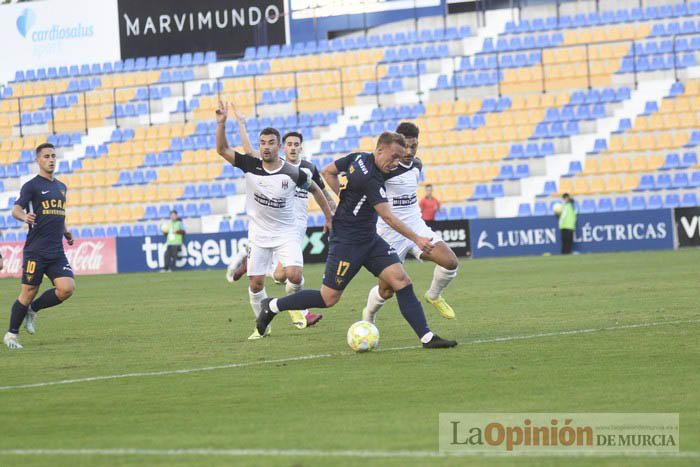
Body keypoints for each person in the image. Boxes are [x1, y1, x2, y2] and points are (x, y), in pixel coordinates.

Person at [256, 132, 458, 349]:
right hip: (347, 242)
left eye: (399, 158)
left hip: (370, 239)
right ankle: (273, 306)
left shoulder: (358, 157)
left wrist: (345, 199)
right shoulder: (370, 179)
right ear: (380, 150)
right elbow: (388, 216)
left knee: (402, 281)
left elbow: (328, 171)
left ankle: (427, 337)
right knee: (328, 298)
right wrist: (417, 238)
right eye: (393, 157)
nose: (396, 162)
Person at [215, 102, 333, 340]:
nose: (266, 147)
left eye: (271, 143)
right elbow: (222, 149)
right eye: (263, 143)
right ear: (259, 146)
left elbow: (316, 191)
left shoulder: (292, 171)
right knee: (256, 285)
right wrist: (221, 123)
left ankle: (289, 307)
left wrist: (329, 217)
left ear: (278, 146)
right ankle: (263, 326)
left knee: (294, 276)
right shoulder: (251, 164)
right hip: (259, 233)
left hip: (287, 231)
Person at [363, 122, 459, 324]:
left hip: (416, 226)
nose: (409, 151)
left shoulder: (417, 164)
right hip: (390, 233)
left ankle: (433, 295)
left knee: (450, 262)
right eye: (405, 146)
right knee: (386, 291)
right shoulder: (385, 168)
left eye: (413, 146)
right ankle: (368, 316)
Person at [4, 143, 76, 350]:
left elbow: (58, 212)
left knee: (66, 288)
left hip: (56, 250)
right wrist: (24, 216)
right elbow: (15, 209)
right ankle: (11, 335)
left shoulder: (61, 187)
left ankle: (33, 310)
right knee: (28, 292)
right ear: (38, 160)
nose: (51, 159)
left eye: (53, 156)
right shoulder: (31, 186)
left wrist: (65, 230)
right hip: (36, 250)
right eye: (46, 156)